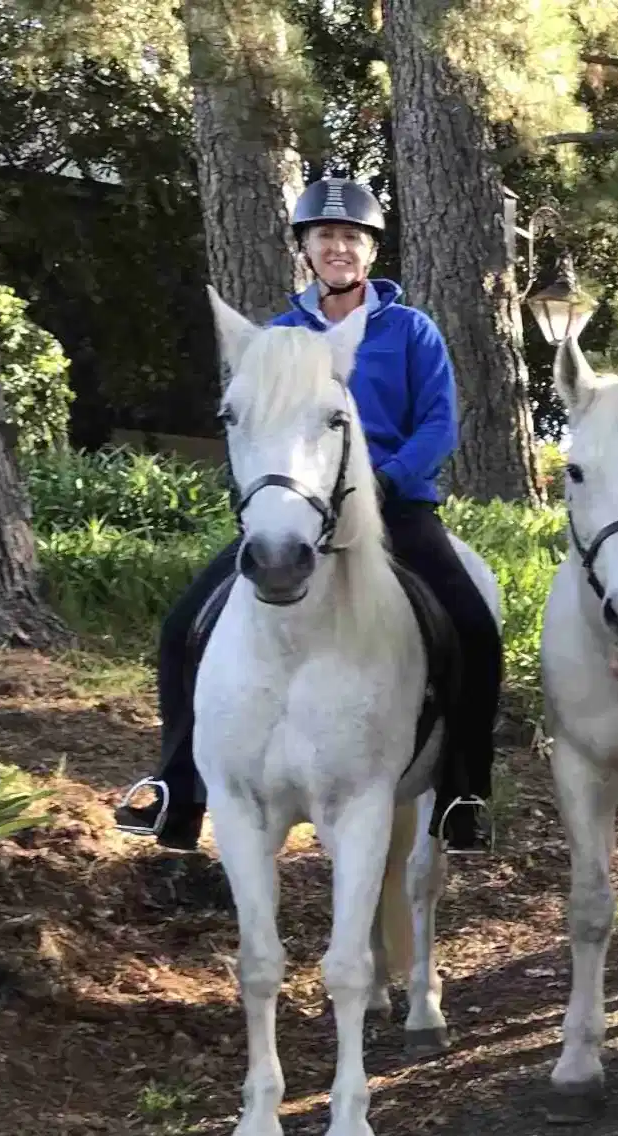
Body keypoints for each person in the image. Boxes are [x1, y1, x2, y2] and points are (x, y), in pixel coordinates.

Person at [114, 175, 506, 854]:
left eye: (351, 237)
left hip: (395, 507)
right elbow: (255, 422)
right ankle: (178, 786)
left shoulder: (411, 331)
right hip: (297, 514)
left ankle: (463, 789)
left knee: (473, 626)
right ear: (307, 248)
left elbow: (439, 425)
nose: (339, 248)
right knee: (184, 624)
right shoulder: (280, 335)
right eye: (325, 236)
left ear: (370, 251)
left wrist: (386, 481)